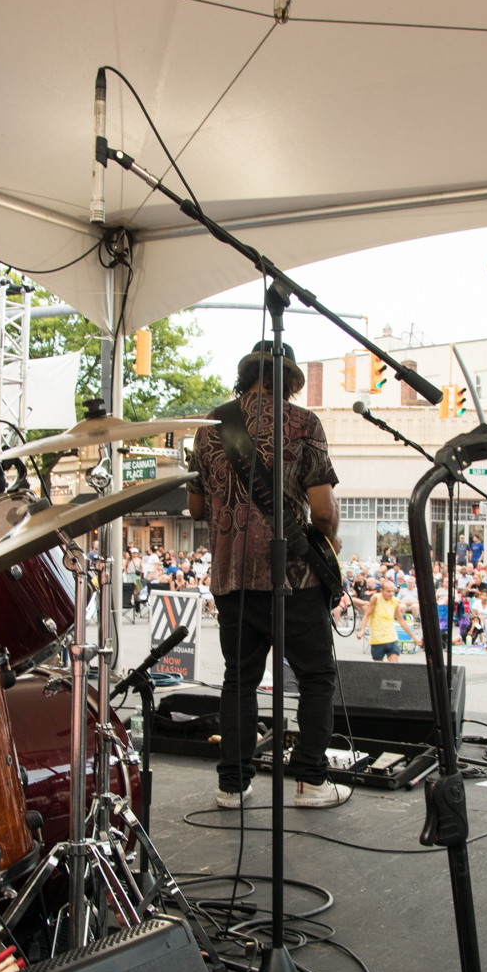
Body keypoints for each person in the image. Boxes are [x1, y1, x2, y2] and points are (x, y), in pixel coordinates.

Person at [187, 340, 349, 809]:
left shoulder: (209, 427)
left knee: (239, 679)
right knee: (315, 676)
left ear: (246, 374)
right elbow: (322, 510)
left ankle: (232, 787)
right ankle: (311, 782)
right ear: (290, 379)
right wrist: (330, 540)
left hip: (231, 575)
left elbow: (197, 507)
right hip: (292, 575)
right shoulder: (303, 423)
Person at [365, 580, 403, 662]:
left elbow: (401, 620)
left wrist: (414, 637)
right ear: (382, 591)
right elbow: (367, 614)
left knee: (394, 668)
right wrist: (361, 630)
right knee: (379, 671)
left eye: (393, 591)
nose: (391, 593)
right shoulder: (376, 598)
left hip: (391, 639)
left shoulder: (395, 601)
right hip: (377, 640)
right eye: (388, 591)